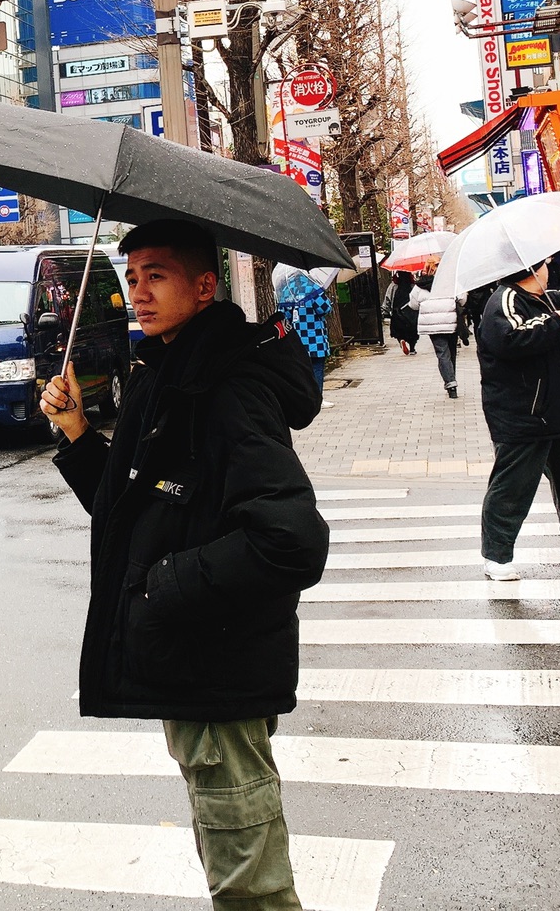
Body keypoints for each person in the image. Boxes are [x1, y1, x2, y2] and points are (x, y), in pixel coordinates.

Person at [40, 221, 329, 911]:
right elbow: (139, 510)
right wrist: (82, 438)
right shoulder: (165, 370)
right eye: (132, 276)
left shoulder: (225, 388)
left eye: (157, 275)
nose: (138, 291)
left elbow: (290, 539)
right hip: (195, 661)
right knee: (231, 862)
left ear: (204, 287)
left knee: (248, 884)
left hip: (217, 666)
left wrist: (161, 589)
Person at [475, 259, 560, 580]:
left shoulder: (539, 299)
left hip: (556, 412)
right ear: (533, 270)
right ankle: (496, 555)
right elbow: (510, 340)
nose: (550, 268)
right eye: (545, 264)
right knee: (512, 487)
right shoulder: (504, 300)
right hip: (524, 415)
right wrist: (555, 324)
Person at [274, 271, 333, 388]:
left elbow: (283, 316)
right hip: (315, 341)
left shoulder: (286, 290)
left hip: (296, 343)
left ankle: (304, 402)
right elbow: (325, 309)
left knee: (301, 376)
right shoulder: (312, 287)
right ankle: (316, 402)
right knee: (316, 373)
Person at [417, 284, 462, 398]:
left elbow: (413, 304)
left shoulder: (419, 287)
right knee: (452, 352)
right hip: (451, 322)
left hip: (433, 325)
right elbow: (462, 299)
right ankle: (451, 380)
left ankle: (450, 382)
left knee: (442, 353)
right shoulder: (451, 282)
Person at [388, 270, 422, 355]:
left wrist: (386, 310)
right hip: (411, 312)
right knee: (413, 331)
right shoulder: (413, 285)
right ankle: (412, 349)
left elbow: (388, 298)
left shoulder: (393, 285)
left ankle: (401, 340)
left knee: (398, 330)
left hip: (397, 312)